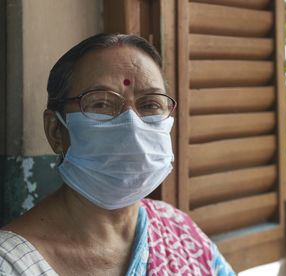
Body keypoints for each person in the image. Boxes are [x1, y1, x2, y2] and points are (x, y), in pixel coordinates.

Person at [0, 33, 235, 276]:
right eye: (101, 104)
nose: (132, 126)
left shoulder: (179, 231)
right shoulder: (10, 265)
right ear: (55, 130)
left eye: (150, 104)